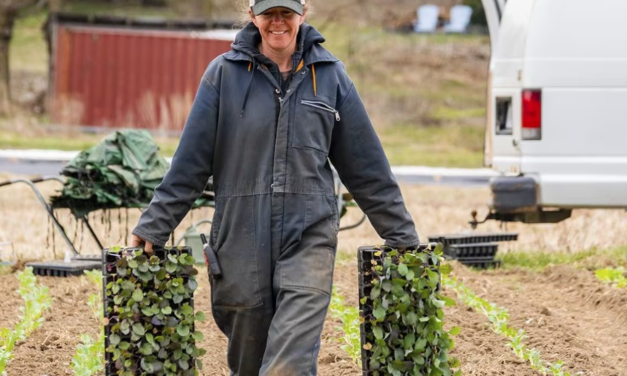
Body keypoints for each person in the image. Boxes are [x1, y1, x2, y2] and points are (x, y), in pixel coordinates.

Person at [131, 0, 420, 374]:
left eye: (287, 12)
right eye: (269, 13)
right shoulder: (223, 75)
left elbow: (366, 167)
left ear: (304, 13)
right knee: (249, 364)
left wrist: (402, 235)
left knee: (289, 362)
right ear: (253, 15)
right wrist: (156, 222)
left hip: (309, 236)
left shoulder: (330, 77)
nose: (278, 22)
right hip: (239, 243)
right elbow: (190, 163)